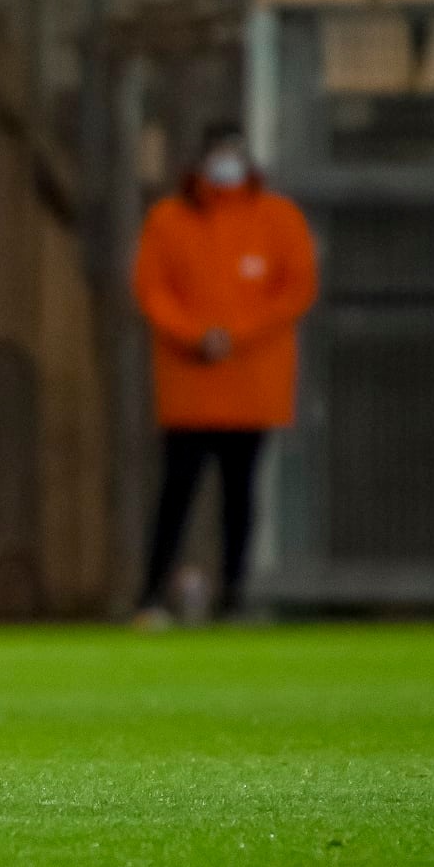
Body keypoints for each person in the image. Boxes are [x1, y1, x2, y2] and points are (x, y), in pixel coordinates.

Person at [132, 122, 318, 625]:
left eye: (234, 153)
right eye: (217, 153)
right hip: (189, 387)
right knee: (177, 492)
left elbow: (296, 288)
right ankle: (151, 594)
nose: (226, 163)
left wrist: (236, 335)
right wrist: (196, 335)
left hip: (252, 385)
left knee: (241, 495)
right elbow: (152, 289)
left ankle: (235, 594)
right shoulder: (168, 219)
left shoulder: (278, 217)